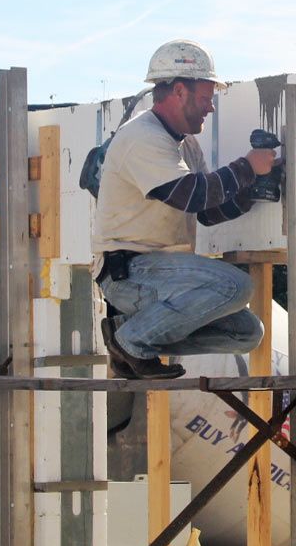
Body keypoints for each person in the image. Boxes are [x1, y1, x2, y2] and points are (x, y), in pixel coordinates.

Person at [92, 39, 277, 379]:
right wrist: (247, 167)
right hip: (131, 272)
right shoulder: (142, 137)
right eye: (206, 98)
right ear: (179, 91)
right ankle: (131, 342)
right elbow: (191, 195)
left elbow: (205, 211)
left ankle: (129, 342)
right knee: (236, 287)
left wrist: (249, 192)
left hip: (161, 275)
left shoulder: (185, 144)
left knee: (247, 333)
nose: (211, 108)